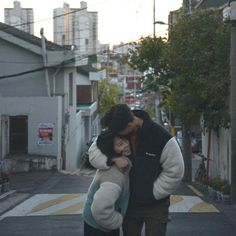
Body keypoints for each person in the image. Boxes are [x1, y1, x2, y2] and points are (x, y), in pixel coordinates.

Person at [89, 104, 184, 236]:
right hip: (128, 204)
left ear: (129, 125)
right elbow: (93, 153)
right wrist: (113, 159)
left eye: (121, 134)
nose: (118, 136)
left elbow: (175, 171)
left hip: (156, 205)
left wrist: (153, 192)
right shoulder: (117, 126)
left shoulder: (161, 137)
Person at [83, 130, 132, 236]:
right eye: (120, 144)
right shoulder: (114, 175)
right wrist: (117, 220)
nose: (126, 144)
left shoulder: (117, 163)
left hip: (100, 222)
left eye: (125, 140)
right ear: (112, 150)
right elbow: (100, 209)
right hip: (99, 226)